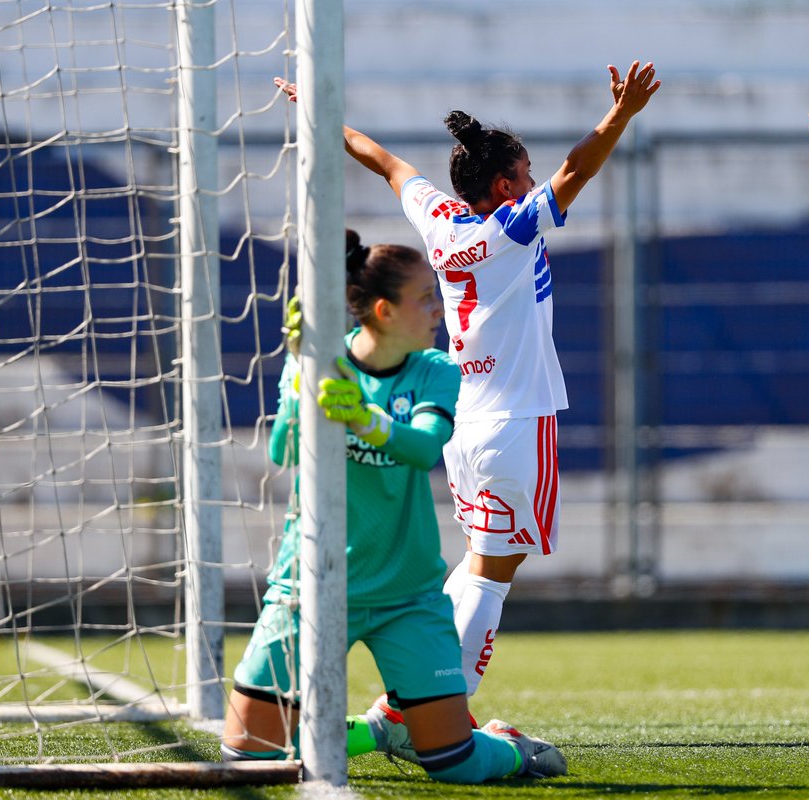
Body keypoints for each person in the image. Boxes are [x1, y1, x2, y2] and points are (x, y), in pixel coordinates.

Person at [275, 61, 660, 701]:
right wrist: (619, 116)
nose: (536, 181)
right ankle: (435, 710)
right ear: (507, 185)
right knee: (491, 575)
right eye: (526, 173)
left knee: (476, 566)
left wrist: (319, 114)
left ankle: (411, 700)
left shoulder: (442, 222)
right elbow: (577, 171)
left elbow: (387, 162)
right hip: (517, 420)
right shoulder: (511, 227)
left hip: (463, 424)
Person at [221, 232, 566, 782]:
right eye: (427, 296)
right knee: (247, 760)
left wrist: (364, 419)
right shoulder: (320, 360)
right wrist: (298, 372)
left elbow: (423, 446)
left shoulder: (435, 369)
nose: (439, 308)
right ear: (384, 309)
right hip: (309, 586)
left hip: (406, 597)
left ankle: (510, 748)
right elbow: (283, 448)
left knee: (456, 764)